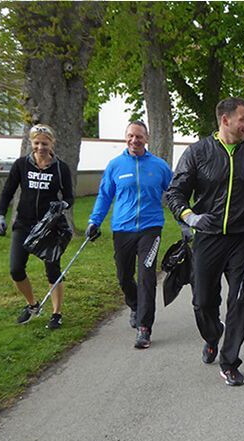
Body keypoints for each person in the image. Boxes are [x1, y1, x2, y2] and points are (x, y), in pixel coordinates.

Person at [166, 97, 244, 387]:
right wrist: (190, 217)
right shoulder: (198, 153)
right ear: (225, 120)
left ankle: (230, 362)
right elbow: (175, 193)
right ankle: (213, 335)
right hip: (209, 237)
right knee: (203, 301)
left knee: (241, 300)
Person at [86, 120, 175, 349]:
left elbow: (175, 192)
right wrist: (94, 221)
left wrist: (185, 218)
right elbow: (105, 196)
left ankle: (144, 328)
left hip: (151, 228)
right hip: (122, 229)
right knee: (124, 276)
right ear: (126, 137)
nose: (135, 140)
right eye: (131, 136)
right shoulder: (115, 165)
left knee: (146, 276)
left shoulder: (159, 166)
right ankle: (135, 305)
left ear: (147, 139)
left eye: (139, 136)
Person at [0, 124, 74, 329]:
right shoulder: (21, 165)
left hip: (49, 226)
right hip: (24, 224)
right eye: (36, 143)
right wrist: (0, 217)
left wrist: (63, 205)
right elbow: (7, 192)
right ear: (31, 143)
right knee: (16, 269)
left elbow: (69, 197)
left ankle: (56, 314)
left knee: (52, 270)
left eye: (44, 143)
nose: (40, 147)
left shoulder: (60, 168)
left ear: (52, 143)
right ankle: (32, 305)